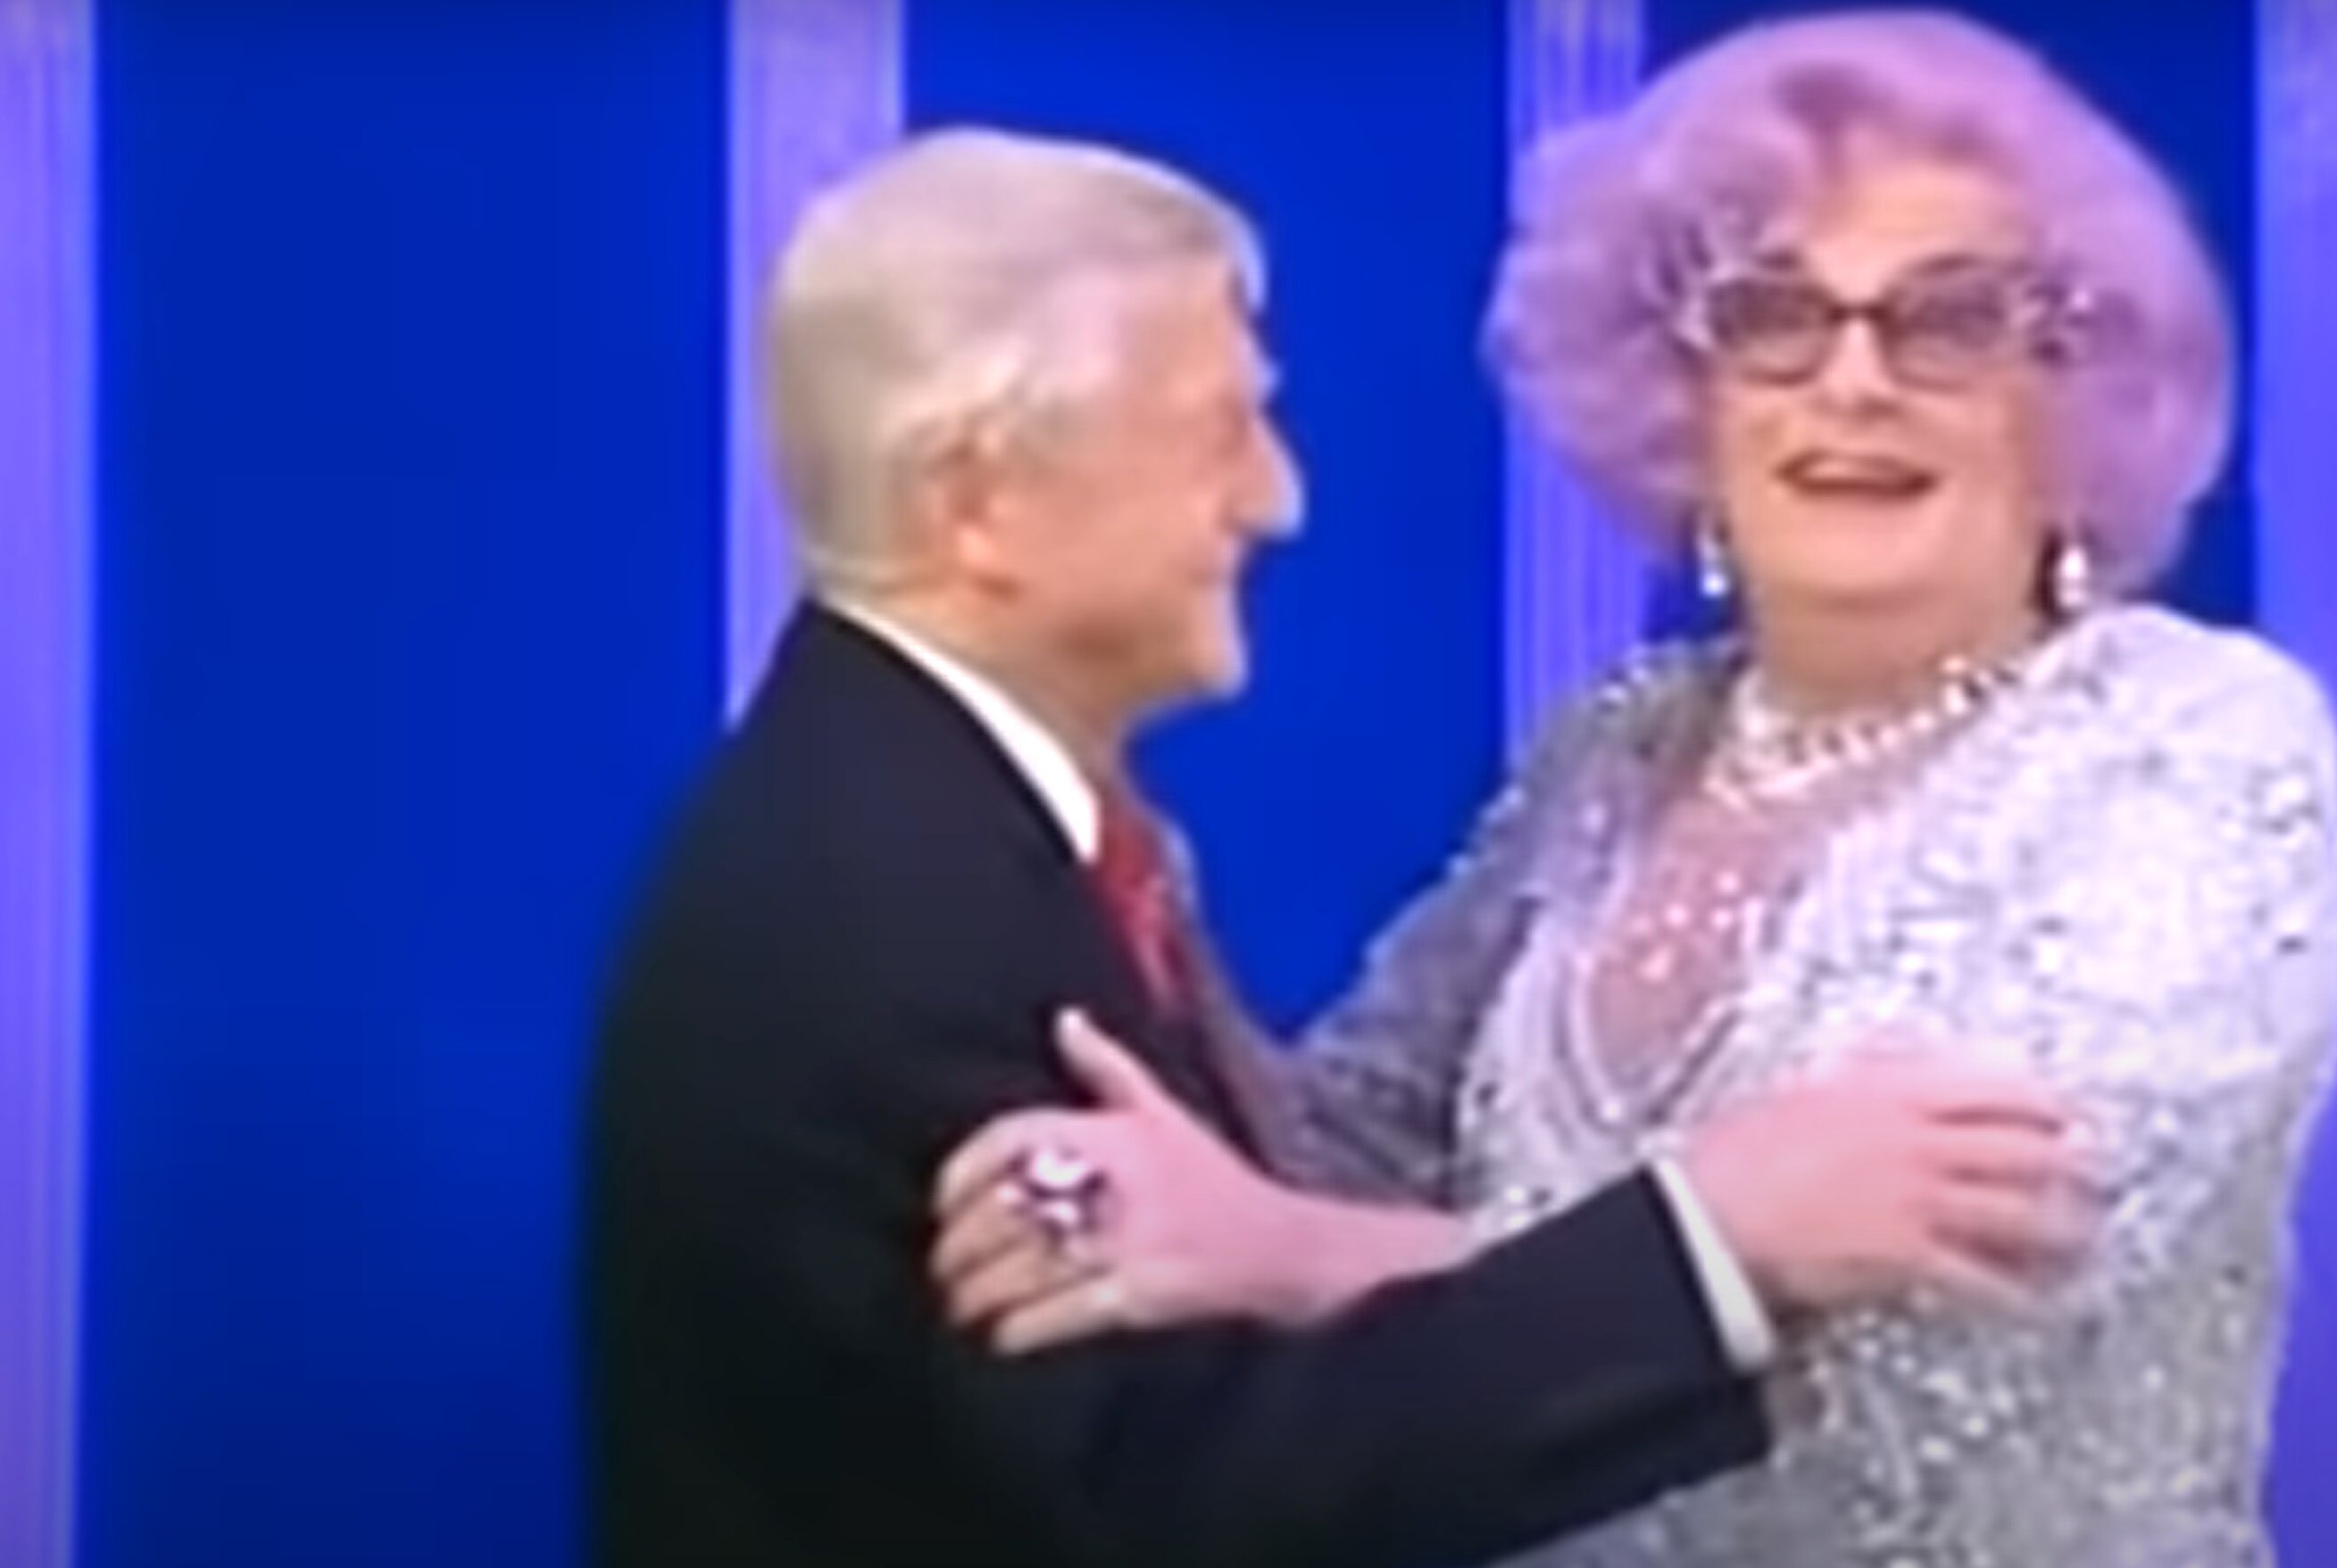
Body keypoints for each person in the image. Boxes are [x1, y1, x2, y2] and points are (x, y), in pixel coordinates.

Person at [925, 12, 2337, 1568]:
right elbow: (1330, 1146)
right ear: (1684, 396)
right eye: (1769, 315)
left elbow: (1896, 1363)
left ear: (2076, 400)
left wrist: (1289, 1255)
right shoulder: (1615, 752)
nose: (1853, 379)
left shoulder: (2189, 740)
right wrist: (1100, 823)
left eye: (1949, 320)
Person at [579, 124, 2099, 1568]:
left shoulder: (927, 819)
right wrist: (1710, 1237)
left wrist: (1281, 1243)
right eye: (1221, 432)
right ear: (980, 500)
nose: (1277, 500)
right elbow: (1189, 1497)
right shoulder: (900, 908)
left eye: (1948, 324)